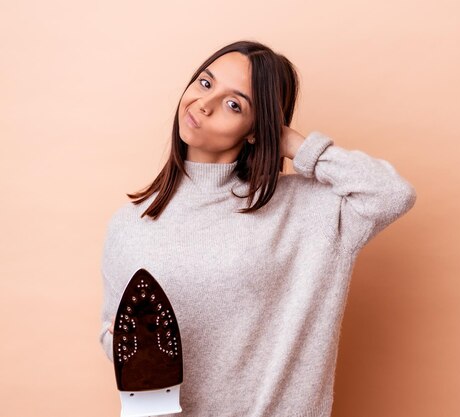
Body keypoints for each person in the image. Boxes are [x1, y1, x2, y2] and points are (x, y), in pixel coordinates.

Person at [99, 39, 417, 417]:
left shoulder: (306, 211)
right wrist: (130, 348)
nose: (205, 104)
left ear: (256, 129)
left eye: (234, 104)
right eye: (205, 83)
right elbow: (112, 331)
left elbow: (392, 194)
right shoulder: (130, 223)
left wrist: (293, 143)